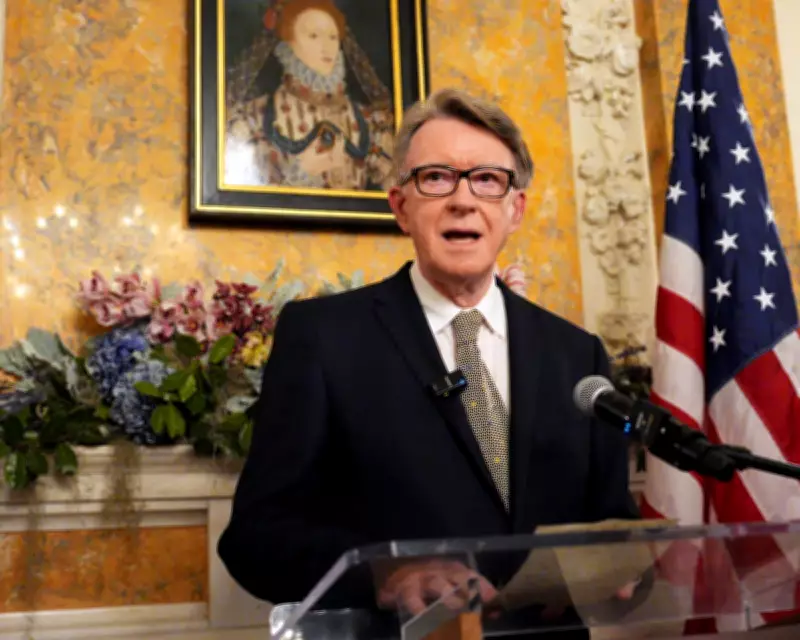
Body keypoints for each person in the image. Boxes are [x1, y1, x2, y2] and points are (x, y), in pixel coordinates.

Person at [218, 88, 640, 625]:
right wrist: (386, 576)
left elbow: (612, 525)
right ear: (401, 207)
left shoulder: (578, 355)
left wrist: (627, 571)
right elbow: (255, 538)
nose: (463, 199)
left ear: (515, 209)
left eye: (487, 179)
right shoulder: (323, 339)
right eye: (437, 178)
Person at [224, 0, 394, 190]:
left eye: (333, 37)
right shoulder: (256, 116)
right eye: (314, 36)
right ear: (288, 43)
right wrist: (305, 172)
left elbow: (396, 194)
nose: (327, 47)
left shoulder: (367, 121)